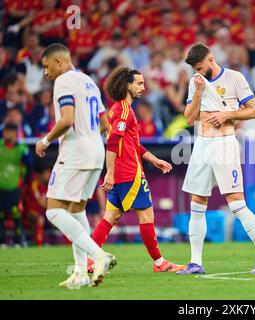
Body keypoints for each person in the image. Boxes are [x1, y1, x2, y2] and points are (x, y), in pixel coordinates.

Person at [178, 43, 255, 275]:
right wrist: (199, 92)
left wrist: (227, 114)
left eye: (200, 68)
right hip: (202, 145)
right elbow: (189, 119)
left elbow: (253, 110)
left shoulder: (234, 78)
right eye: (195, 70)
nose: (198, 73)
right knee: (197, 204)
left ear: (211, 59)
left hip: (224, 145)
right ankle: (196, 262)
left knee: (236, 203)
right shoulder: (195, 83)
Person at [88, 67, 185, 273]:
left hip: (123, 172)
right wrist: (111, 173)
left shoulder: (117, 109)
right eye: (139, 83)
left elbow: (133, 143)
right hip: (129, 173)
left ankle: (89, 259)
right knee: (147, 216)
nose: (143, 87)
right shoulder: (124, 110)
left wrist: (154, 159)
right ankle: (160, 263)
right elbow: (113, 141)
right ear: (126, 85)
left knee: (111, 217)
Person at [36, 43, 116, 289]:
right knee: (76, 210)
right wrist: (90, 136)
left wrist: (45, 140)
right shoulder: (89, 81)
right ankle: (81, 272)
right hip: (95, 150)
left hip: (75, 152)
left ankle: (99, 256)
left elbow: (67, 120)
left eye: (47, 67)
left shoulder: (63, 81)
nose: (46, 73)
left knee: (53, 210)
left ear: (59, 63)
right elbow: (105, 123)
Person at [0, 123, 29, 248]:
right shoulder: (0, 146)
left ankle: (18, 240)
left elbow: (29, 166)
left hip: (14, 187)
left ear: (14, 133)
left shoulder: (22, 149)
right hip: (1, 186)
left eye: (9, 131)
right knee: (0, 214)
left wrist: (22, 181)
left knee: (16, 213)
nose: (7, 134)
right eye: (5, 131)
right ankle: (2, 241)